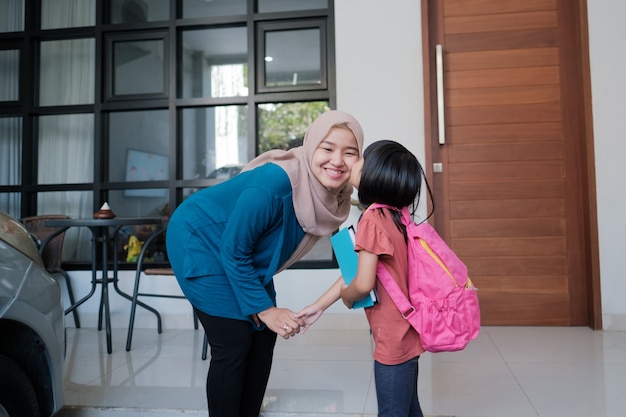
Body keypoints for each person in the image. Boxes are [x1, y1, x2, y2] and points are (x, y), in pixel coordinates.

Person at [165, 110, 364, 417]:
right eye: (327, 148)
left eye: (349, 153)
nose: (337, 161)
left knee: (263, 334)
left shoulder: (337, 196)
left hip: (242, 251)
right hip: (199, 239)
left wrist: (349, 296)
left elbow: (349, 252)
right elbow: (233, 250)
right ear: (311, 146)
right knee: (234, 341)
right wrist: (266, 309)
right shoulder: (274, 184)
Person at [297, 140, 427, 417]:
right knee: (410, 409)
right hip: (409, 332)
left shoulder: (372, 219)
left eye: (362, 159)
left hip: (391, 339)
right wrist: (319, 306)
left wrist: (348, 296)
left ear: (376, 175)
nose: (353, 163)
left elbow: (363, 283)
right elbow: (358, 271)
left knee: (393, 412)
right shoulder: (397, 217)